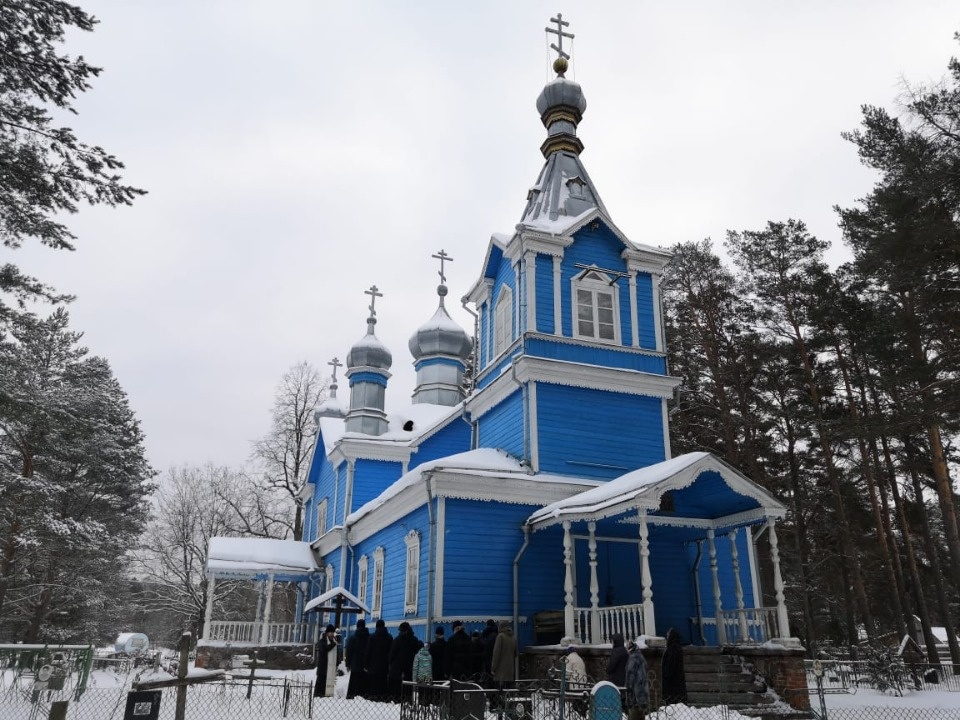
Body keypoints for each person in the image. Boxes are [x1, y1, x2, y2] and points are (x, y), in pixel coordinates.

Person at [388, 621, 423, 702]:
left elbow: (391, 655)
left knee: (397, 688)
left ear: (405, 631)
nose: (400, 632)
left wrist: (391, 664)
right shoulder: (414, 640)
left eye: (401, 631)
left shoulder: (397, 640)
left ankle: (397, 701)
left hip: (398, 669)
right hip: (409, 669)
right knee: (408, 687)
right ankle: (407, 700)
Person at [490, 621, 517, 710]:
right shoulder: (513, 637)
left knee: (500, 693)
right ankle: (509, 710)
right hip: (510, 671)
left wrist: (493, 668)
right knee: (508, 694)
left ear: (500, 627)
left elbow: (496, 654)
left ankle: (500, 712)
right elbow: (516, 653)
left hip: (500, 672)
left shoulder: (500, 637)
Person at [365, 619, 393, 702]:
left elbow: (368, 652)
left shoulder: (372, 637)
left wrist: (366, 665)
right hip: (384, 666)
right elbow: (391, 652)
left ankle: (374, 698)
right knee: (383, 683)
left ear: (376, 626)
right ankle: (383, 698)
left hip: (373, 667)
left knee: (374, 684)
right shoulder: (389, 637)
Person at [345, 618, 370, 699]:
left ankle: (352, 697)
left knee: (354, 683)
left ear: (357, 626)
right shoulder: (369, 637)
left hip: (355, 665)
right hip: (365, 665)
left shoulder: (353, 638)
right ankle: (364, 697)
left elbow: (349, 652)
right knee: (364, 684)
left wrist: (348, 664)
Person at [661, 628, 687, 705]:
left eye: (668, 635)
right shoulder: (676, 648)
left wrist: (665, 674)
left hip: (672, 682)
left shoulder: (672, 649)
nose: (667, 637)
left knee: (673, 701)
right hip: (676, 681)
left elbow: (670, 665)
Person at [625, 640, 649, 720]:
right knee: (641, 715)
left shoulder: (633, 658)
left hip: (635, 695)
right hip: (642, 692)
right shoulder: (641, 657)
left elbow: (630, 676)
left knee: (633, 715)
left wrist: (628, 689)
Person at [314, 624, 339, 698]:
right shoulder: (322, 640)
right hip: (323, 668)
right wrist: (333, 644)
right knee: (320, 685)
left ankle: (328, 696)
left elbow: (335, 654)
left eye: (332, 632)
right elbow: (324, 649)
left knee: (328, 685)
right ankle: (318, 697)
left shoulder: (333, 641)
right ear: (327, 633)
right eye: (330, 632)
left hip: (330, 668)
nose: (331, 634)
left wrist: (337, 663)